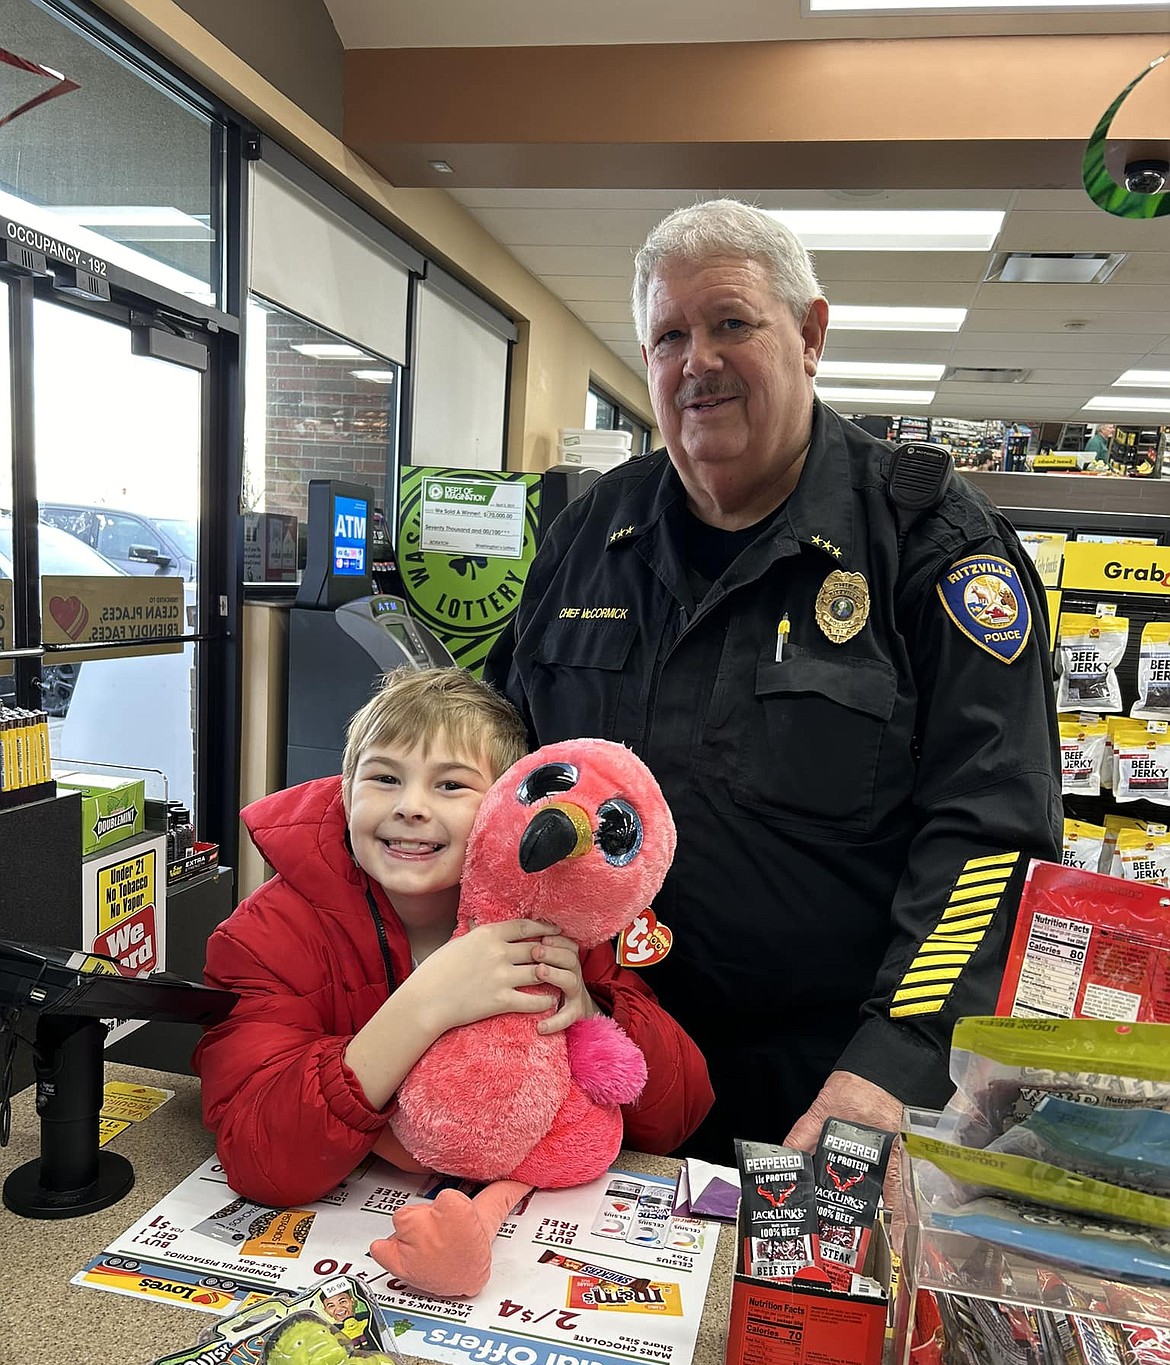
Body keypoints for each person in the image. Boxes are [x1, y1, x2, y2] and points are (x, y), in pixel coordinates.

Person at [486, 199, 1061, 1168]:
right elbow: (506, 759)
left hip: (820, 1084)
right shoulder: (594, 534)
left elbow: (991, 834)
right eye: (669, 335)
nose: (697, 360)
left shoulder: (929, 540)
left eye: (731, 323)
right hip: (588, 1044)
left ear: (810, 335)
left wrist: (895, 1059)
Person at [195, 667, 713, 1207]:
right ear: (346, 793)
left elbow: (677, 1118)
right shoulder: (265, 936)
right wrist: (424, 1006)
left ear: (504, 807)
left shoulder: (555, 921)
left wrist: (590, 1013)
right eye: (384, 778)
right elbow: (262, 1159)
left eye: (451, 785)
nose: (411, 806)